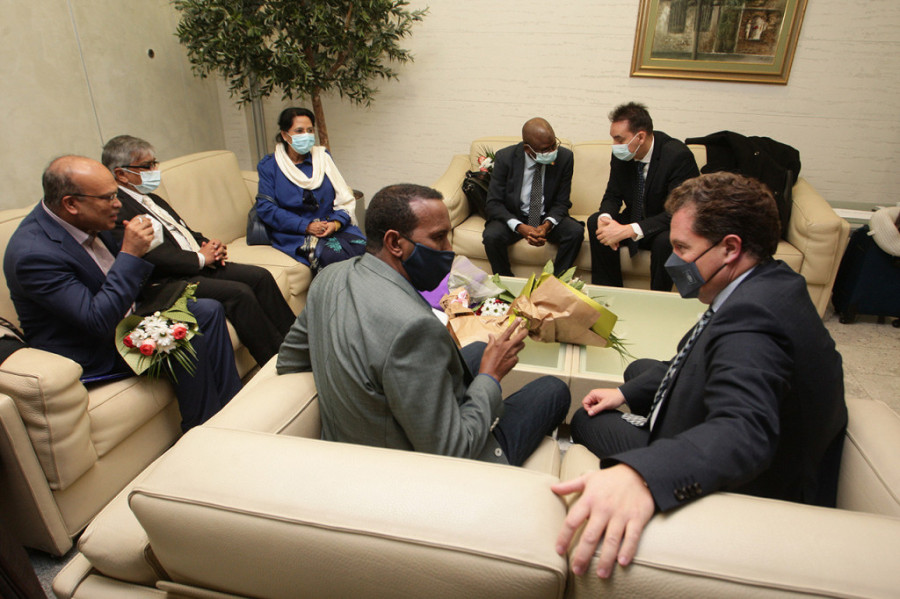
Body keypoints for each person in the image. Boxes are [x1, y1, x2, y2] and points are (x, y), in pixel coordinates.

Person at [554, 172, 847, 578]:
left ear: (730, 248)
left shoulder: (752, 322)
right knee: (639, 372)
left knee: (586, 418)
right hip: (735, 422)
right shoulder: (773, 281)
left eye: (681, 247)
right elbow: (695, 358)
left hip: (747, 476)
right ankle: (634, 400)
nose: (672, 260)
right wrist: (624, 394)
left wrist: (643, 473)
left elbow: (744, 430)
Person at [277, 183, 570, 466]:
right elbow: (454, 451)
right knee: (553, 389)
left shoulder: (330, 277)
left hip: (365, 433)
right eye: (439, 237)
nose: (449, 250)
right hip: (412, 467)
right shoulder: (414, 328)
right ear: (395, 243)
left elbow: (290, 360)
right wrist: (490, 377)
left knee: (480, 348)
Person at [4, 156, 241, 431]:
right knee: (182, 338)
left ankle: (233, 410)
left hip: (128, 316)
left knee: (209, 309)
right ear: (71, 204)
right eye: (108, 198)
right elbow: (96, 321)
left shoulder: (87, 218)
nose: (117, 204)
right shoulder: (33, 254)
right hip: (90, 346)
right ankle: (204, 429)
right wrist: (130, 253)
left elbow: (131, 278)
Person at [102, 135, 295, 367]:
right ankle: (277, 362)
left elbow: (185, 231)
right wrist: (201, 258)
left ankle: (297, 343)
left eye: (155, 163)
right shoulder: (118, 210)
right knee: (239, 293)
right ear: (121, 174)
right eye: (147, 166)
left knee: (260, 276)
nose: (154, 170)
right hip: (169, 279)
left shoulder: (151, 198)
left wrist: (209, 245)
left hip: (197, 263)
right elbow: (150, 256)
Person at [588, 102, 699, 290]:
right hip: (635, 215)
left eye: (619, 140)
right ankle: (609, 292)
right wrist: (605, 218)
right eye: (613, 139)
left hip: (665, 223)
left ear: (640, 137)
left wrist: (630, 230)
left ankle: (658, 297)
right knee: (595, 222)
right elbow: (613, 195)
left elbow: (680, 212)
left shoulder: (677, 156)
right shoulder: (622, 155)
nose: (615, 146)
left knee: (665, 242)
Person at [254, 107, 366, 273]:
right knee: (334, 257)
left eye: (310, 130)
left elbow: (343, 198)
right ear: (285, 135)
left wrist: (335, 224)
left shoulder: (322, 158)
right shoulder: (270, 165)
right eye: (299, 131)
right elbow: (266, 208)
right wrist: (306, 226)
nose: (306, 135)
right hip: (296, 232)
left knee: (366, 250)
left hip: (331, 225)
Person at [482, 117, 584, 277]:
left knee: (575, 232)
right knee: (491, 236)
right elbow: (493, 203)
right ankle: (506, 283)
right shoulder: (505, 158)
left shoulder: (564, 157)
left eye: (554, 145)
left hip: (546, 215)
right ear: (527, 149)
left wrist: (546, 226)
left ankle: (555, 282)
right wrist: (520, 227)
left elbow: (562, 202)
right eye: (545, 149)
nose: (552, 152)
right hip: (515, 215)